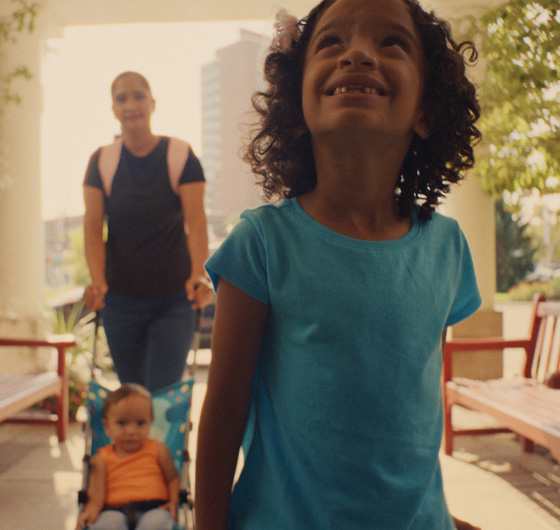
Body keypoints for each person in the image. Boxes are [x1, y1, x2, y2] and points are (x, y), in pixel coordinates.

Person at [195, 0, 484, 529]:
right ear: (297, 108)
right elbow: (222, 416)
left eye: (391, 43)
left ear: (427, 111)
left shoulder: (447, 247)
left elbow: (406, 406)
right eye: (331, 42)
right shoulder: (262, 243)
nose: (357, 54)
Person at [82, 71, 212, 392]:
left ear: (153, 103)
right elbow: (92, 227)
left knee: (162, 395)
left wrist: (199, 273)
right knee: (133, 396)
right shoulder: (101, 162)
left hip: (173, 300)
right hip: (120, 301)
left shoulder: (180, 155)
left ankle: (165, 445)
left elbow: (196, 221)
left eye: (138, 95)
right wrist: (98, 281)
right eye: (121, 98)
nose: (131, 104)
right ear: (113, 109)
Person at [76, 383, 179, 530]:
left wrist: (174, 501)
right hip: (113, 510)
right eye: (122, 423)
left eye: (140, 423)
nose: (131, 431)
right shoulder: (101, 458)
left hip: (155, 508)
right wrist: (89, 512)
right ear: (107, 427)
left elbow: (173, 478)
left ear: (150, 424)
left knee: (155, 524)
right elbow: (97, 494)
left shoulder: (158, 449)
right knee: (106, 525)